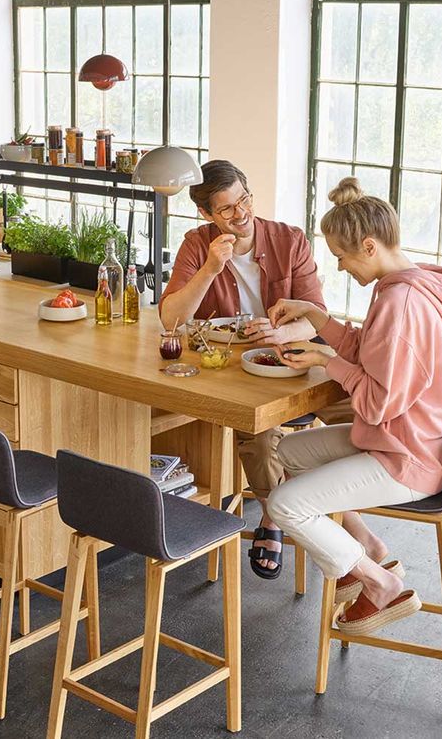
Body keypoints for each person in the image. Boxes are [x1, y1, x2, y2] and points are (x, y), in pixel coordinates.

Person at [264, 177, 442, 635]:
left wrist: (326, 358)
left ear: (368, 246)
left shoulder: (400, 304)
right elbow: (371, 351)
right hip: (416, 440)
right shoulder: (405, 286)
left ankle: (379, 585)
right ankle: (366, 545)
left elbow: (377, 403)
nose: (339, 268)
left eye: (340, 257)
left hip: (407, 457)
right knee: (289, 453)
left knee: (285, 505)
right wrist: (318, 319)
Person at [158, 159, 352, 580]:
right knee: (259, 435)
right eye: (226, 209)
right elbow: (171, 319)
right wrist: (211, 268)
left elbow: (315, 315)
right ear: (207, 214)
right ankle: (275, 514)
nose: (240, 213)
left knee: (359, 408)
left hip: (296, 359)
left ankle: (319, 502)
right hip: (235, 370)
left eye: (244, 199)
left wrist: (281, 334)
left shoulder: (288, 239)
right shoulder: (197, 245)